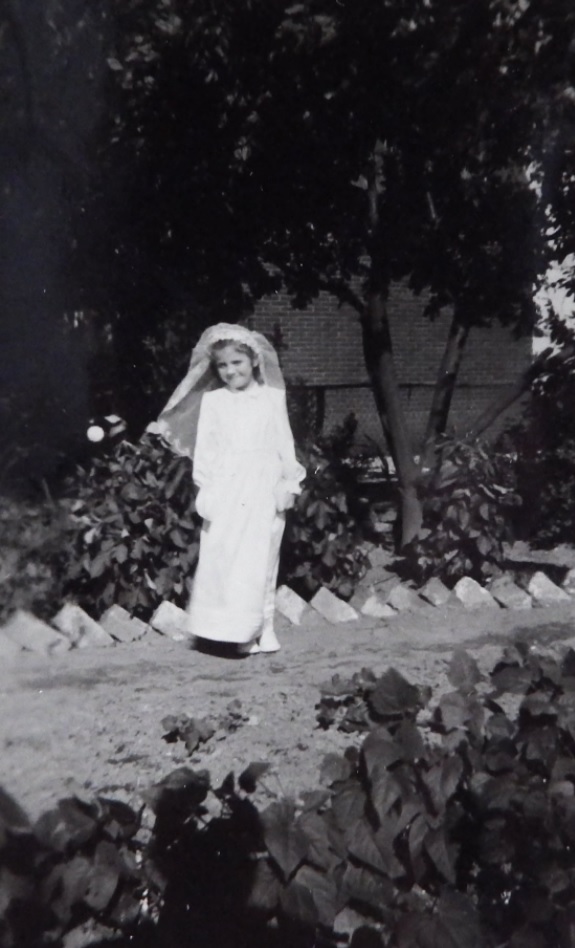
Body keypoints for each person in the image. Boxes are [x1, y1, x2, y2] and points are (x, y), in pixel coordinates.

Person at [150, 324, 305, 654]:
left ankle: (265, 626)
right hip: (228, 487)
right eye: (222, 365)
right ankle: (237, 631)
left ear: (254, 360)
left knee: (264, 556)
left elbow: (284, 441)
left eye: (237, 362)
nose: (230, 371)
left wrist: (290, 481)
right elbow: (207, 449)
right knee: (228, 559)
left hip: (264, 484)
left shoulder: (272, 397)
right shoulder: (214, 401)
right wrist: (206, 488)